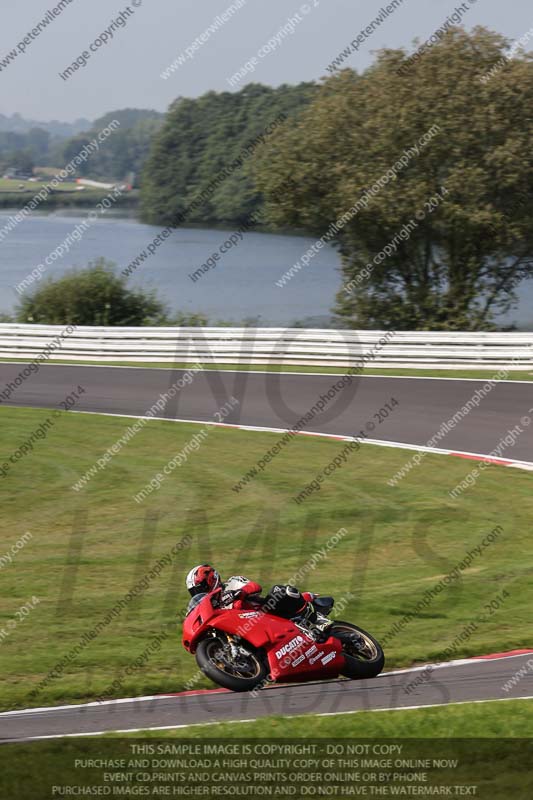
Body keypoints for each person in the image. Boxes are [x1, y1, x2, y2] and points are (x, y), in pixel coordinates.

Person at [185, 564, 333, 631]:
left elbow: (255, 587)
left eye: (200, 588)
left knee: (279, 590)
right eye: (195, 592)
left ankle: (316, 619)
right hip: (252, 630)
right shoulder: (213, 609)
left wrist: (238, 594)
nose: (200, 593)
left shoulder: (232, 583)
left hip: (266, 613)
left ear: (210, 579)